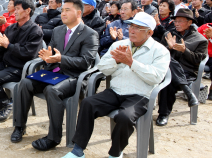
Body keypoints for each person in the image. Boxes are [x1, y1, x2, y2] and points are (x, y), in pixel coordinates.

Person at [62, 12, 170, 158]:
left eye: (138, 28)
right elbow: (103, 68)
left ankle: (115, 153)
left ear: (149, 32)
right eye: (131, 26)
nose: (131, 30)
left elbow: (156, 78)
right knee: (88, 103)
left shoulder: (160, 51)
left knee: (125, 117)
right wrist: (117, 61)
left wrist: (131, 63)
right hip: (116, 91)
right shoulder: (120, 44)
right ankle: (77, 150)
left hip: (140, 95)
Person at [11, 0, 99, 151]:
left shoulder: (89, 34)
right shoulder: (58, 30)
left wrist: (61, 59)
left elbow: (85, 62)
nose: (62, 13)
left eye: (67, 10)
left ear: (78, 13)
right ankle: (19, 126)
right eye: (62, 10)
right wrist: (47, 57)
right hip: (54, 72)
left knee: (52, 90)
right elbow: (52, 54)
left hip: (74, 77)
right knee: (25, 83)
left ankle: (53, 138)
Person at [0, 0, 43, 122]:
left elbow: (28, 53)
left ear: (28, 11)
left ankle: (5, 104)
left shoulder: (35, 30)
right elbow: (0, 50)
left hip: (20, 68)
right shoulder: (11, 28)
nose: (14, 11)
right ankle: (0, 104)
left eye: (17, 9)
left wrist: (8, 45)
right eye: (14, 8)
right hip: (5, 64)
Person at [156, 8, 208, 126]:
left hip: (187, 72)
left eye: (180, 21)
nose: (177, 24)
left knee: (169, 78)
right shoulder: (169, 34)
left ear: (189, 22)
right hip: (168, 70)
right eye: (175, 21)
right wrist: (168, 48)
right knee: (169, 64)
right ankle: (187, 91)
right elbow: (159, 55)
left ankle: (163, 114)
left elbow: (198, 60)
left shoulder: (200, 40)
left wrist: (185, 51)